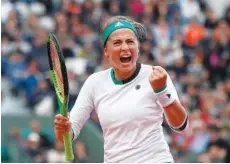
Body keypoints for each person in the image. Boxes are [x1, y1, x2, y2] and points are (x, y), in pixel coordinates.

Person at [54, 16, 188, 163]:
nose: (125, 47)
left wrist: (162, 91)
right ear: (106, 51)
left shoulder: (156, 74)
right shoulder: (94, 82)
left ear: (137, 47)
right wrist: (63, 129)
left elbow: (180, 124)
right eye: (117, 43)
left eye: (130, 41)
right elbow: (68, 133)